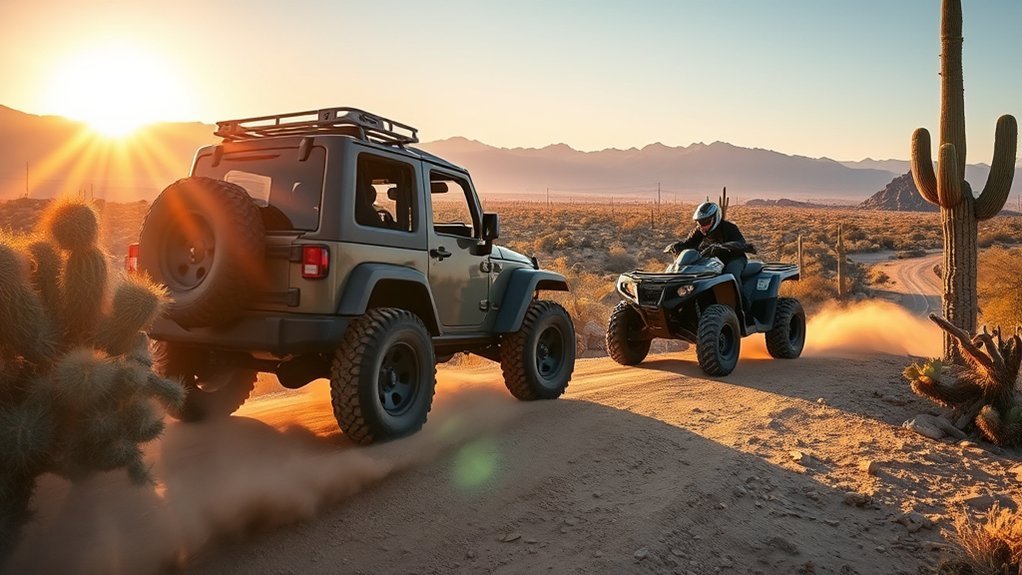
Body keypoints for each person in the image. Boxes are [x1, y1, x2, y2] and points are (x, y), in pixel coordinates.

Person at [665, 201, 753, 283]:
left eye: (705, 222)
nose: (702, 226)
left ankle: (741, 299)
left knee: (730, 277)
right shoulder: (698, 231)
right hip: (710, 261)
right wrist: (677, 246)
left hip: (733, 259)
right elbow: (689, 243)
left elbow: (741, 244)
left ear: (715, 218)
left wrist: (723, 247)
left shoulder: (729, 228)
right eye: (699, 222)